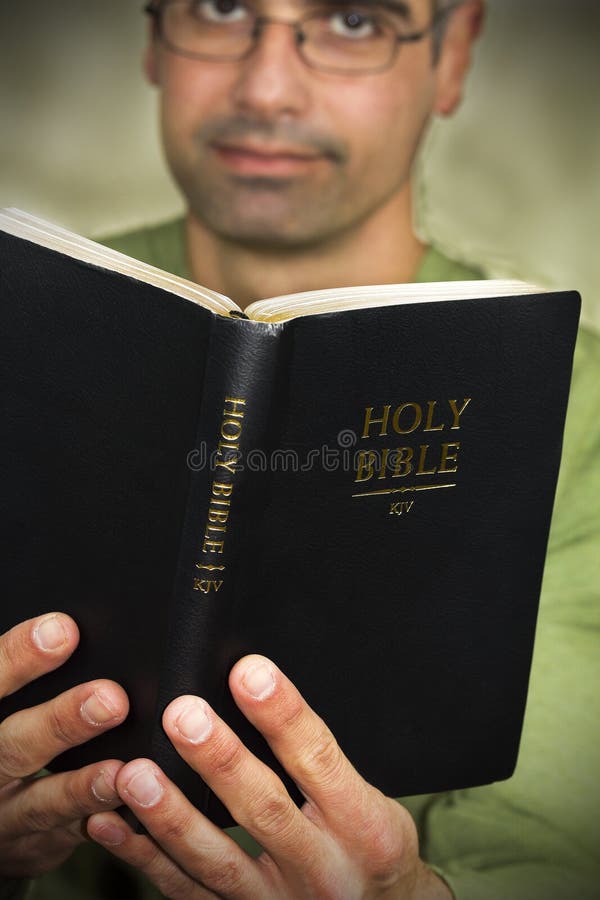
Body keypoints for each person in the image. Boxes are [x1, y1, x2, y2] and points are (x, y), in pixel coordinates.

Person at [1, 1, 599, 897]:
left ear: (452, 56)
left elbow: (553, 853)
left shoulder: (586, 409)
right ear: (153, 39)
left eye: (354, 19)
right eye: (222, 8)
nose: (267, 86)